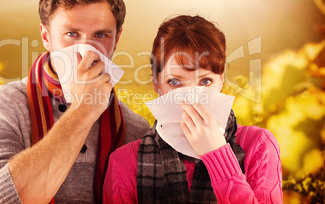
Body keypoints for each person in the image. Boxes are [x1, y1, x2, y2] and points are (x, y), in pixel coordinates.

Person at [0, 0, 150, 204]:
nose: (86, 50)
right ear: (46, 36)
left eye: (100, 35)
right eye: (71, 34)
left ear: (117, 39)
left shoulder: (135, 129)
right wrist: (83, 111)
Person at [103, 15, 283, 203]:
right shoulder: (124, 163)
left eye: (205, 81)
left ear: (221, 80)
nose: (191, 97)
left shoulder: (258, 145)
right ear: (156, 83)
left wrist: (217, 153)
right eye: (174, 82)